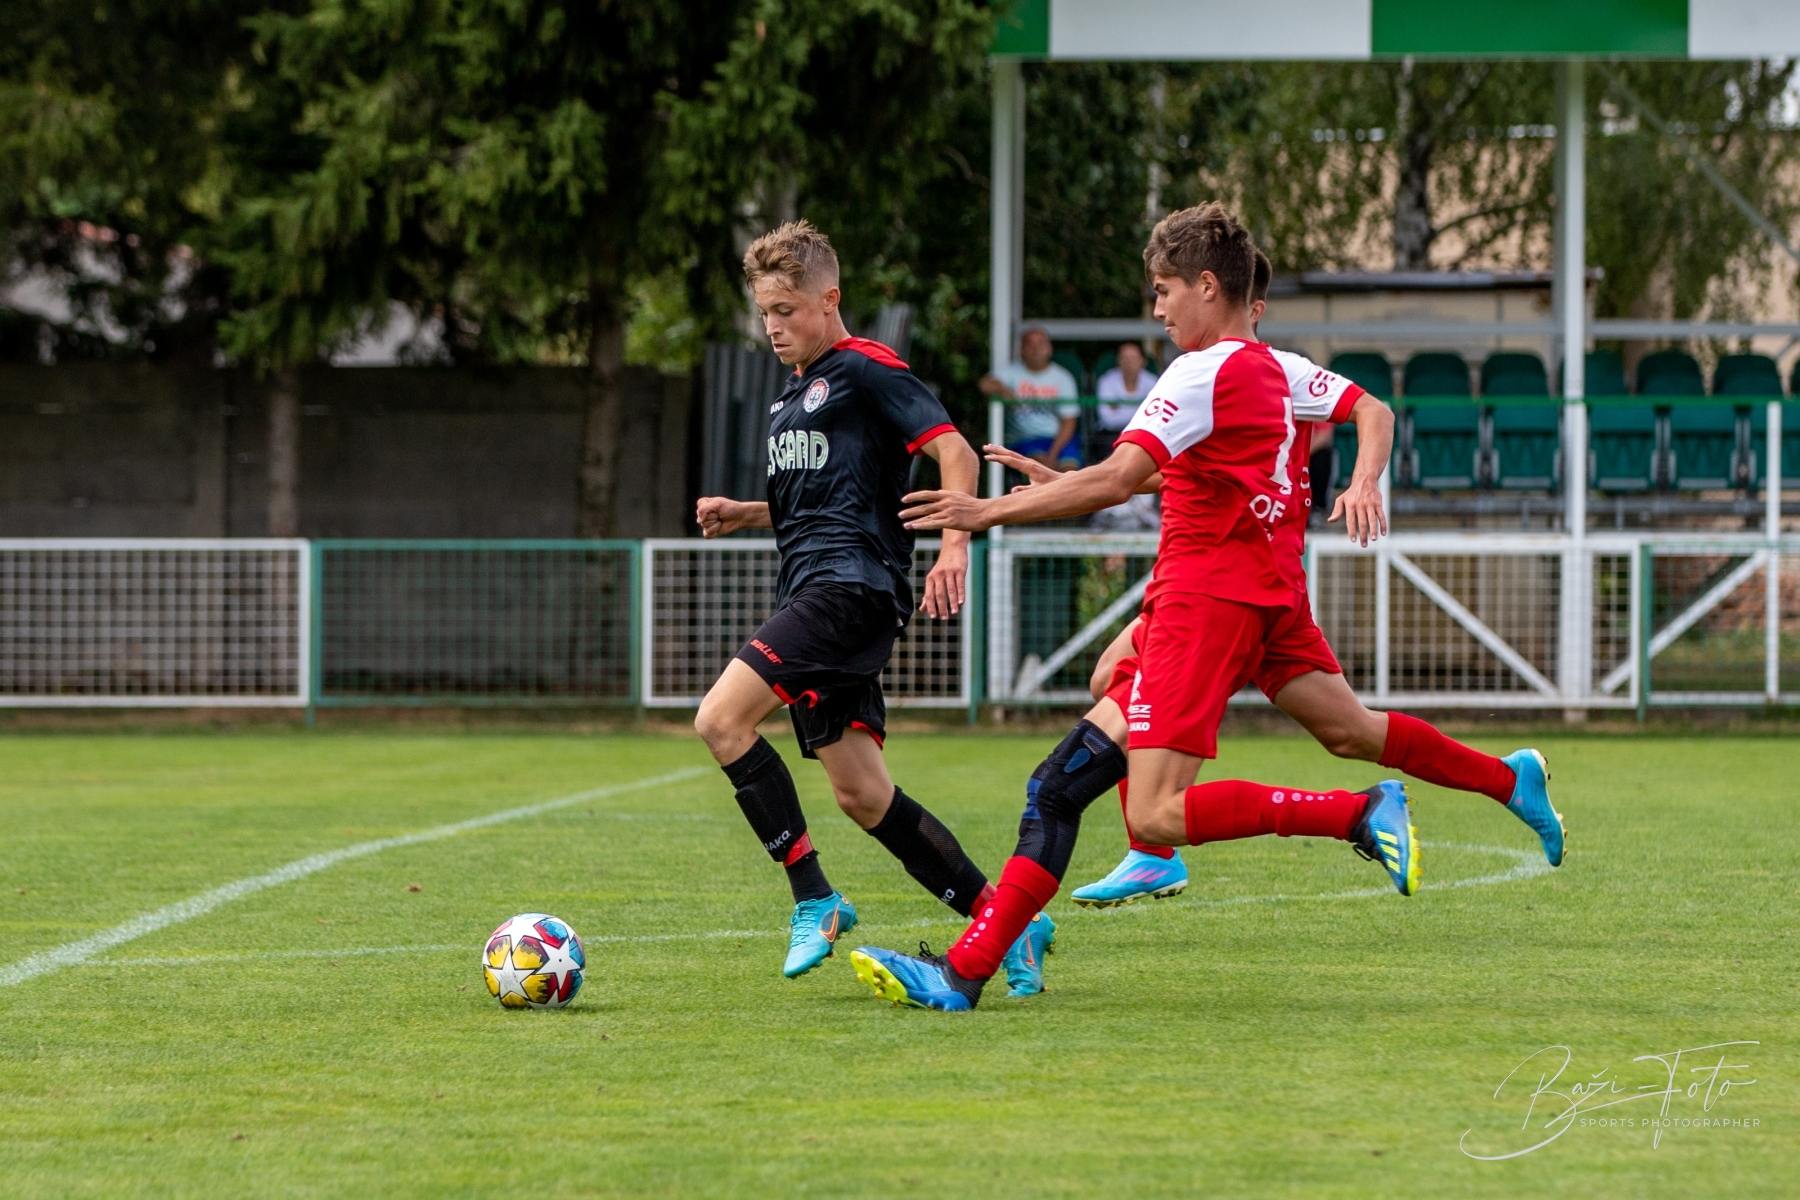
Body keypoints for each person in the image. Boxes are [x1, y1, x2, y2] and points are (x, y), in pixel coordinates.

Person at [846, 203, 1563, 1012]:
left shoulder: (1197, 372)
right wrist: (1066, 485)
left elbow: (1119, 478)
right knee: (1321, 728)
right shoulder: (1277, 370)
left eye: (1163, 290)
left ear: (1208, 286)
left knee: (1140, 805)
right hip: (1266, 596)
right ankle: (1507, 779)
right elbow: (1233, 455)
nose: (1157, 309)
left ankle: (1349, 816)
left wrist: (988, 512)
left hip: (1205, 602)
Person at [692, 220, 1048, 986]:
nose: (772, 326)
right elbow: (830, 497)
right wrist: (745, 512)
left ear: (830, 299)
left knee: (720, 719)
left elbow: (953, 449)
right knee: (862, 794)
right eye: (764, 312)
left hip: (848, 590)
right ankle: (1003, 919)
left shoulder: (866, 367)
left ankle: (813, 897)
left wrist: (955, 545)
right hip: (817, 588)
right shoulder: (794, 396)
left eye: (786, 310)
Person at [981, 324, 1081, 468]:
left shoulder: (1063, 378)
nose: (1036, 349)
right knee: (1037, 466)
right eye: (1030, 344)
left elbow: (1069, 423)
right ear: (1021, 350)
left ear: (1049, 348)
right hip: (1024, 440)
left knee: (1069, 471)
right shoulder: (1012, 372)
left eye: (1040, 343)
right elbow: (985, 384)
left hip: (1059, 441)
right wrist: (1003, 390)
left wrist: (1052, 455)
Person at [1094, 342, 1158, 432]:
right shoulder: (1106, 381)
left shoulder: (1153, 382)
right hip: (1111, 434)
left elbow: (1156, 418)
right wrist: (1140, 414)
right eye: (1124, 358)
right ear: (1118, 360)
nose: (1129, 362)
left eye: (1134, 358)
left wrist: (1119, 409)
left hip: (1144, 433)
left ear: (1143, 361)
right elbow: (1108, 420)